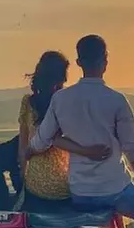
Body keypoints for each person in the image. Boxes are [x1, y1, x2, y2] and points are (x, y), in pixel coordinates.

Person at [27, 34, 134, 228]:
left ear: (79, 62)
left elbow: (42, 140)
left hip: (80, 192)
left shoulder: (61, 99)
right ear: (105, 61)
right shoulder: (116, 101)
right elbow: (132, 150)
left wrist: (27, 154)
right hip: (114, 189)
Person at [15, 51, 108, 213]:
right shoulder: (64, 102)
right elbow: (57, 139)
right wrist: (88, 152)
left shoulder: (28, 103)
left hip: (35, 185)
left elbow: (23, 145)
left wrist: (24, 175)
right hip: (65, 186)